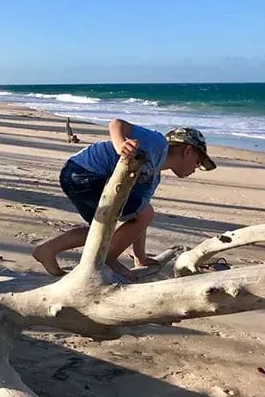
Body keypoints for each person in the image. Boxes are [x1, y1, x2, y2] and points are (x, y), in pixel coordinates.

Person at [32, 119, 216, 280]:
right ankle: (108, 259)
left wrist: (140, 258)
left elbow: (138, 221)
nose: (195, 168)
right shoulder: (158, 145)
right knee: (143, 214)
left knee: (102, 229)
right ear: (188, 151)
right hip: (85, 173)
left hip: (75, 176)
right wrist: (120, 144)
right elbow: (117, 123)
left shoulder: (152, 176)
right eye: (198, 162)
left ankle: (47, 250)